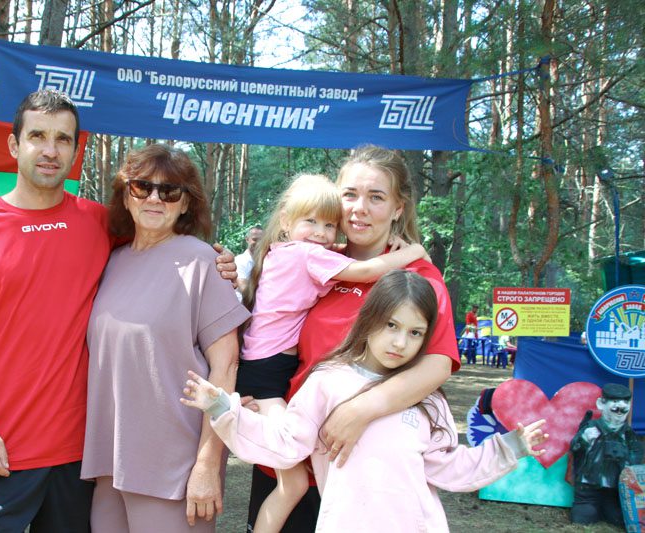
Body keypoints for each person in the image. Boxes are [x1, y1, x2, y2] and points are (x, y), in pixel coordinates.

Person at [0, 90, 236, 532]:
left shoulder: (98, 224)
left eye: (63, 139)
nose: (50, 150)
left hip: (80, 458)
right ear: (14, 145)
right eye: (38, 136)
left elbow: (161, 251)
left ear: (75, 151)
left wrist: (225, 266)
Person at [183, 270, 548, 532]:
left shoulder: (427, 400)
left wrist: (511, 447)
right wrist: (222, 408)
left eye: (415, 332)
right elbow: (285, 444)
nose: (400, 342)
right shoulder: (327, 382)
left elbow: (451, 467)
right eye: (391, 325)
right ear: (369, 319)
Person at [246, 145, 462, 531]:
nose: (359, 208)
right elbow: (267, 324)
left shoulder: (418, 277)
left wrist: (359, 411)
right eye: (350, 195)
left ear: (398, 208)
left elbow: (438, 364)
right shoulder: (315, 259)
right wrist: (257, 395)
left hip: (359, 467)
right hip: (290, 452)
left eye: (376, 197)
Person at [80, 144, 250, 533]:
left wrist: (207, 463)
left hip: (172, 467)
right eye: (142, 187)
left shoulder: (204, 262)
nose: (155, 198)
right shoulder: (112, 260)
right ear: (126, 195)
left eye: (170, 191)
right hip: (110, 462)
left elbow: (226, 366)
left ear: (186, 204)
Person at [570, 383, 643, 526]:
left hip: (614, 489)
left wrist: (627, 462)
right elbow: (575, 448)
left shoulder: (628, 434)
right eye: (615, 401)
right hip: (588, 487)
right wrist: (584, 439)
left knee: (618, 517)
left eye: (626, 402)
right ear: (601, 404)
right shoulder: (591, 428)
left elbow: (636, 453)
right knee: (583, 516)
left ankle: (607, 509)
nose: (621, 406)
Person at [235, 225, 264, 295]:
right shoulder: (240, 261)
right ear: (247, 239)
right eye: (255, 239)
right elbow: (244, 289)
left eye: (261, 240)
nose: (258, 243)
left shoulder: (267, 261)